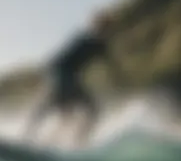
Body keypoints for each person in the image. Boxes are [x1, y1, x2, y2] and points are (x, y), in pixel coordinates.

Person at [24, 11, 123, 146]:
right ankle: (29, 139)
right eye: (105, 27)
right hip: (62, 76)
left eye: (110, 28)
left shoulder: (100, 45)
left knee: (79, 112)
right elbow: (55, 62)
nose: (108, 32)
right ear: (97, 27)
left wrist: (118, 79)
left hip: (67, 78)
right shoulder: (85, 40)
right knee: (55, 108)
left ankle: (63, 143)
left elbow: (112, 66)